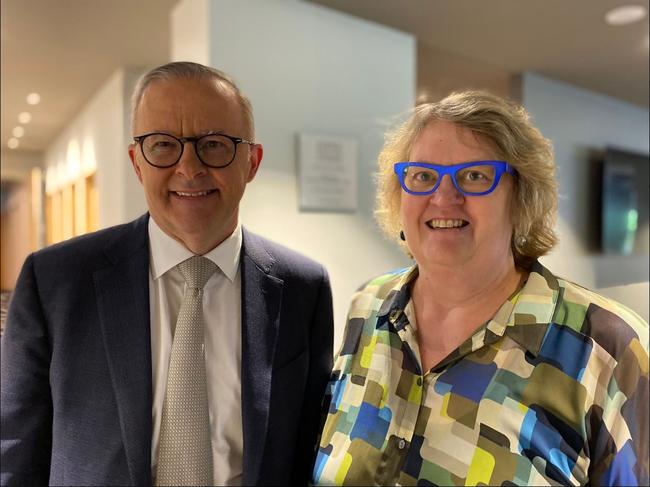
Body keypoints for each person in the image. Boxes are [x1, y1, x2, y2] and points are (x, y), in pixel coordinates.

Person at [1, 61, 333, 486]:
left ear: (252, 161)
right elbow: (15, 454)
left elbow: (308, 446)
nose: (189, 167)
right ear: (137, 162)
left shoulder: (304, 288)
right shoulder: (54, 282)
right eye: (162, 145)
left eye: (214, 144)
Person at [312, 91, 648, 486]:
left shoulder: (608, 346)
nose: (443, 198)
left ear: (521, 198)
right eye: (422, 176)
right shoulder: (369, 306)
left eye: (475, 176)